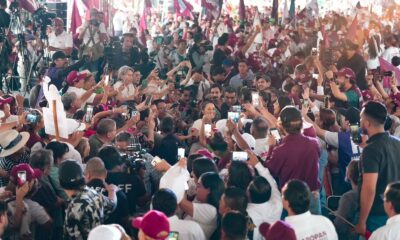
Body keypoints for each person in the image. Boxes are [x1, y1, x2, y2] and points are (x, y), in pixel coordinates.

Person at [264, 106, 321, 213]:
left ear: (281, 125)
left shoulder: (280, 150)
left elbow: (269, 171)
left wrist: (272, 147)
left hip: (291, 202)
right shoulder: (314, 143)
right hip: (312, 196)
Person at [355, 101, 400, 234]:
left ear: (367, 123)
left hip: (377, 214)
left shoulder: (371, 150)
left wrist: (362, 221)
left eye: (361, 118)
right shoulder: (397, 142)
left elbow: (369, 189)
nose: (360, 121)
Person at [59, 160, 118, 240]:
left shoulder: (74, 206)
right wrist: (112, 191)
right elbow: (112, 204)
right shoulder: (93, 193)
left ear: (61, 183)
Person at [98, 146, 147, 215]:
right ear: (118, 160)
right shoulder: (133, 178)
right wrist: (141, 178)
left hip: (105, 222)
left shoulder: (99, 181)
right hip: (128, 221)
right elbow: (142, 202)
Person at [85, 157, 130, 230]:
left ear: (88, 174)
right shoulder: (117, 193)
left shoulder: (81, 195)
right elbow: (125, 220)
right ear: (106, 173)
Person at [179, 172, 224, 239]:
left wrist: (180, 178)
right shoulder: (201, 202)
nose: (196, 188)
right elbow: (183, 198)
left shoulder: (211, 211)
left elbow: (180, 202)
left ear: (208, 190)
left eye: (199, 186)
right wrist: (184, 182)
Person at [334, 160, 360, 240]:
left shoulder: (349, 197)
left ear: (348, 175)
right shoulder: (373, 193)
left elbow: (339, 226)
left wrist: (338, 213)